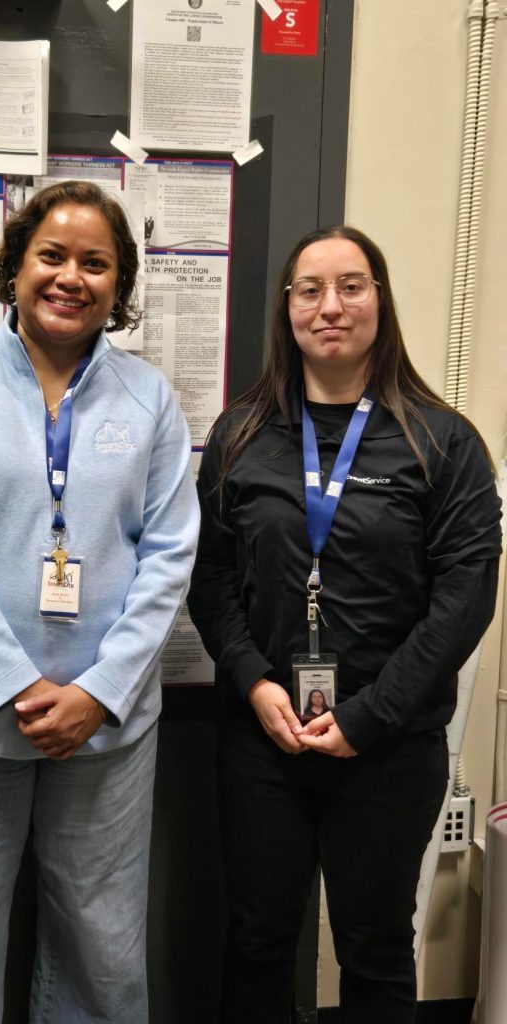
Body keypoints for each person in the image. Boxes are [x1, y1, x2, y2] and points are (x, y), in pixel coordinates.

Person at [0, 180, 199, 1024]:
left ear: (118, 285)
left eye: (95, 263)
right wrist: (17, 686)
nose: (70, 277)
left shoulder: (150, 400)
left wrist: (99, 691)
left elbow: (170, 556)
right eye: (51, 255)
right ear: (16, 267)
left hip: (106, 733)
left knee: (102, 945)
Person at [187, 225, 502, 1024]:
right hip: (264, 739)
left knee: (375, 947)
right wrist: (254, 684)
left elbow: (464, 600)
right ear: (287, 308)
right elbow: (211, 581)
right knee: (257, 941)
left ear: (379, 301)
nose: (330, 306)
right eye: (310, 289)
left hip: (389, 746)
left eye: (351, 286)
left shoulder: (444, 442)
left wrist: (369, 717)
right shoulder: (240, 435)